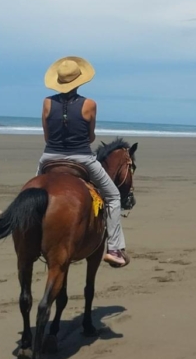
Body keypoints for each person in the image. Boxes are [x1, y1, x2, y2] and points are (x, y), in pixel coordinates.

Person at [37, 56, 130, 268]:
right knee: (113, 196)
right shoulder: (90, 104)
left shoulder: (46, 102)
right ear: (79, 81)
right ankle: (114, 249)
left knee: (30, 195)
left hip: (49, 157)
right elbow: (90, 137)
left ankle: (30, 239)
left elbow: (47, 135)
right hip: (82, 158)